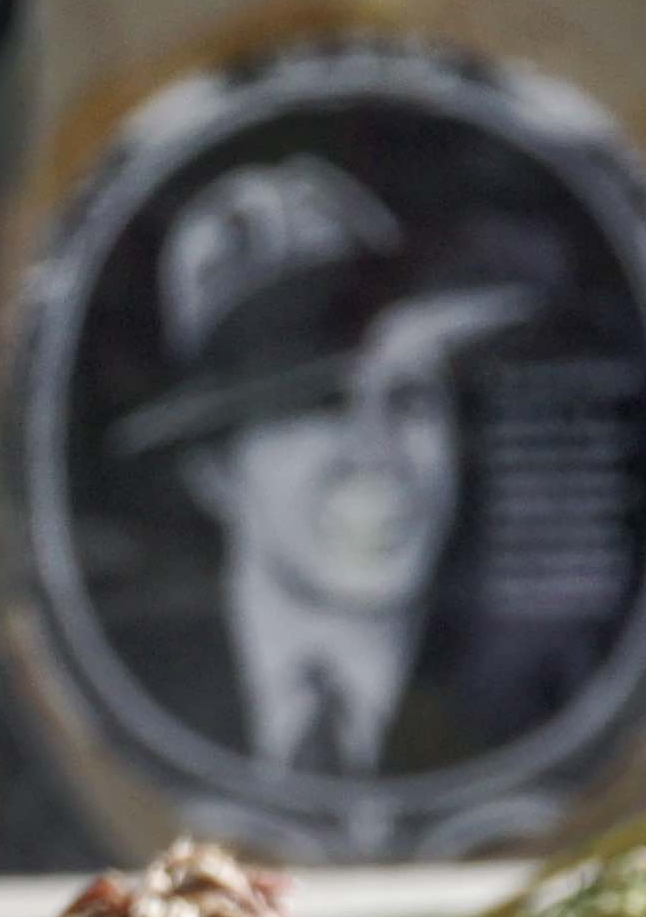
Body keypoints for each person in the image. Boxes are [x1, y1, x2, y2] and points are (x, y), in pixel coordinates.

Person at [106, 161, 535, 778]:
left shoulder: (541, 692)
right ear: (215, 472)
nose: (377, 453)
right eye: (319, 406)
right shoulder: (129, 694)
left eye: (410, 397)